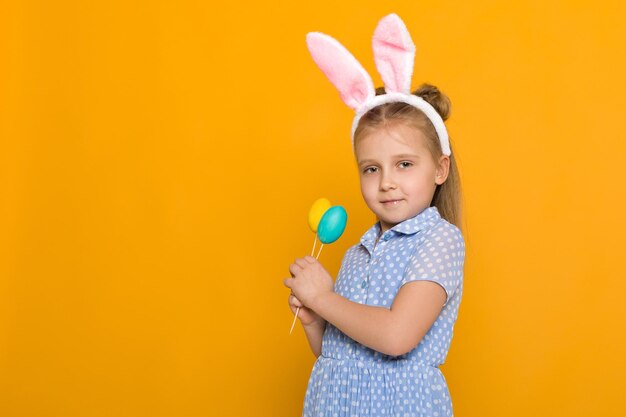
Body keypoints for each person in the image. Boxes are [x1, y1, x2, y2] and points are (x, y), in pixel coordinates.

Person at [282, 14, 466, 417]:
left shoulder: (440, 241)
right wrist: (315, 318)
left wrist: (325, 297)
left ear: (440, 169)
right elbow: (338, 352)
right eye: (371, 168)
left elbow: (397, 336)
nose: (386, 182)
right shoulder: (357, 252)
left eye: (404, 164)